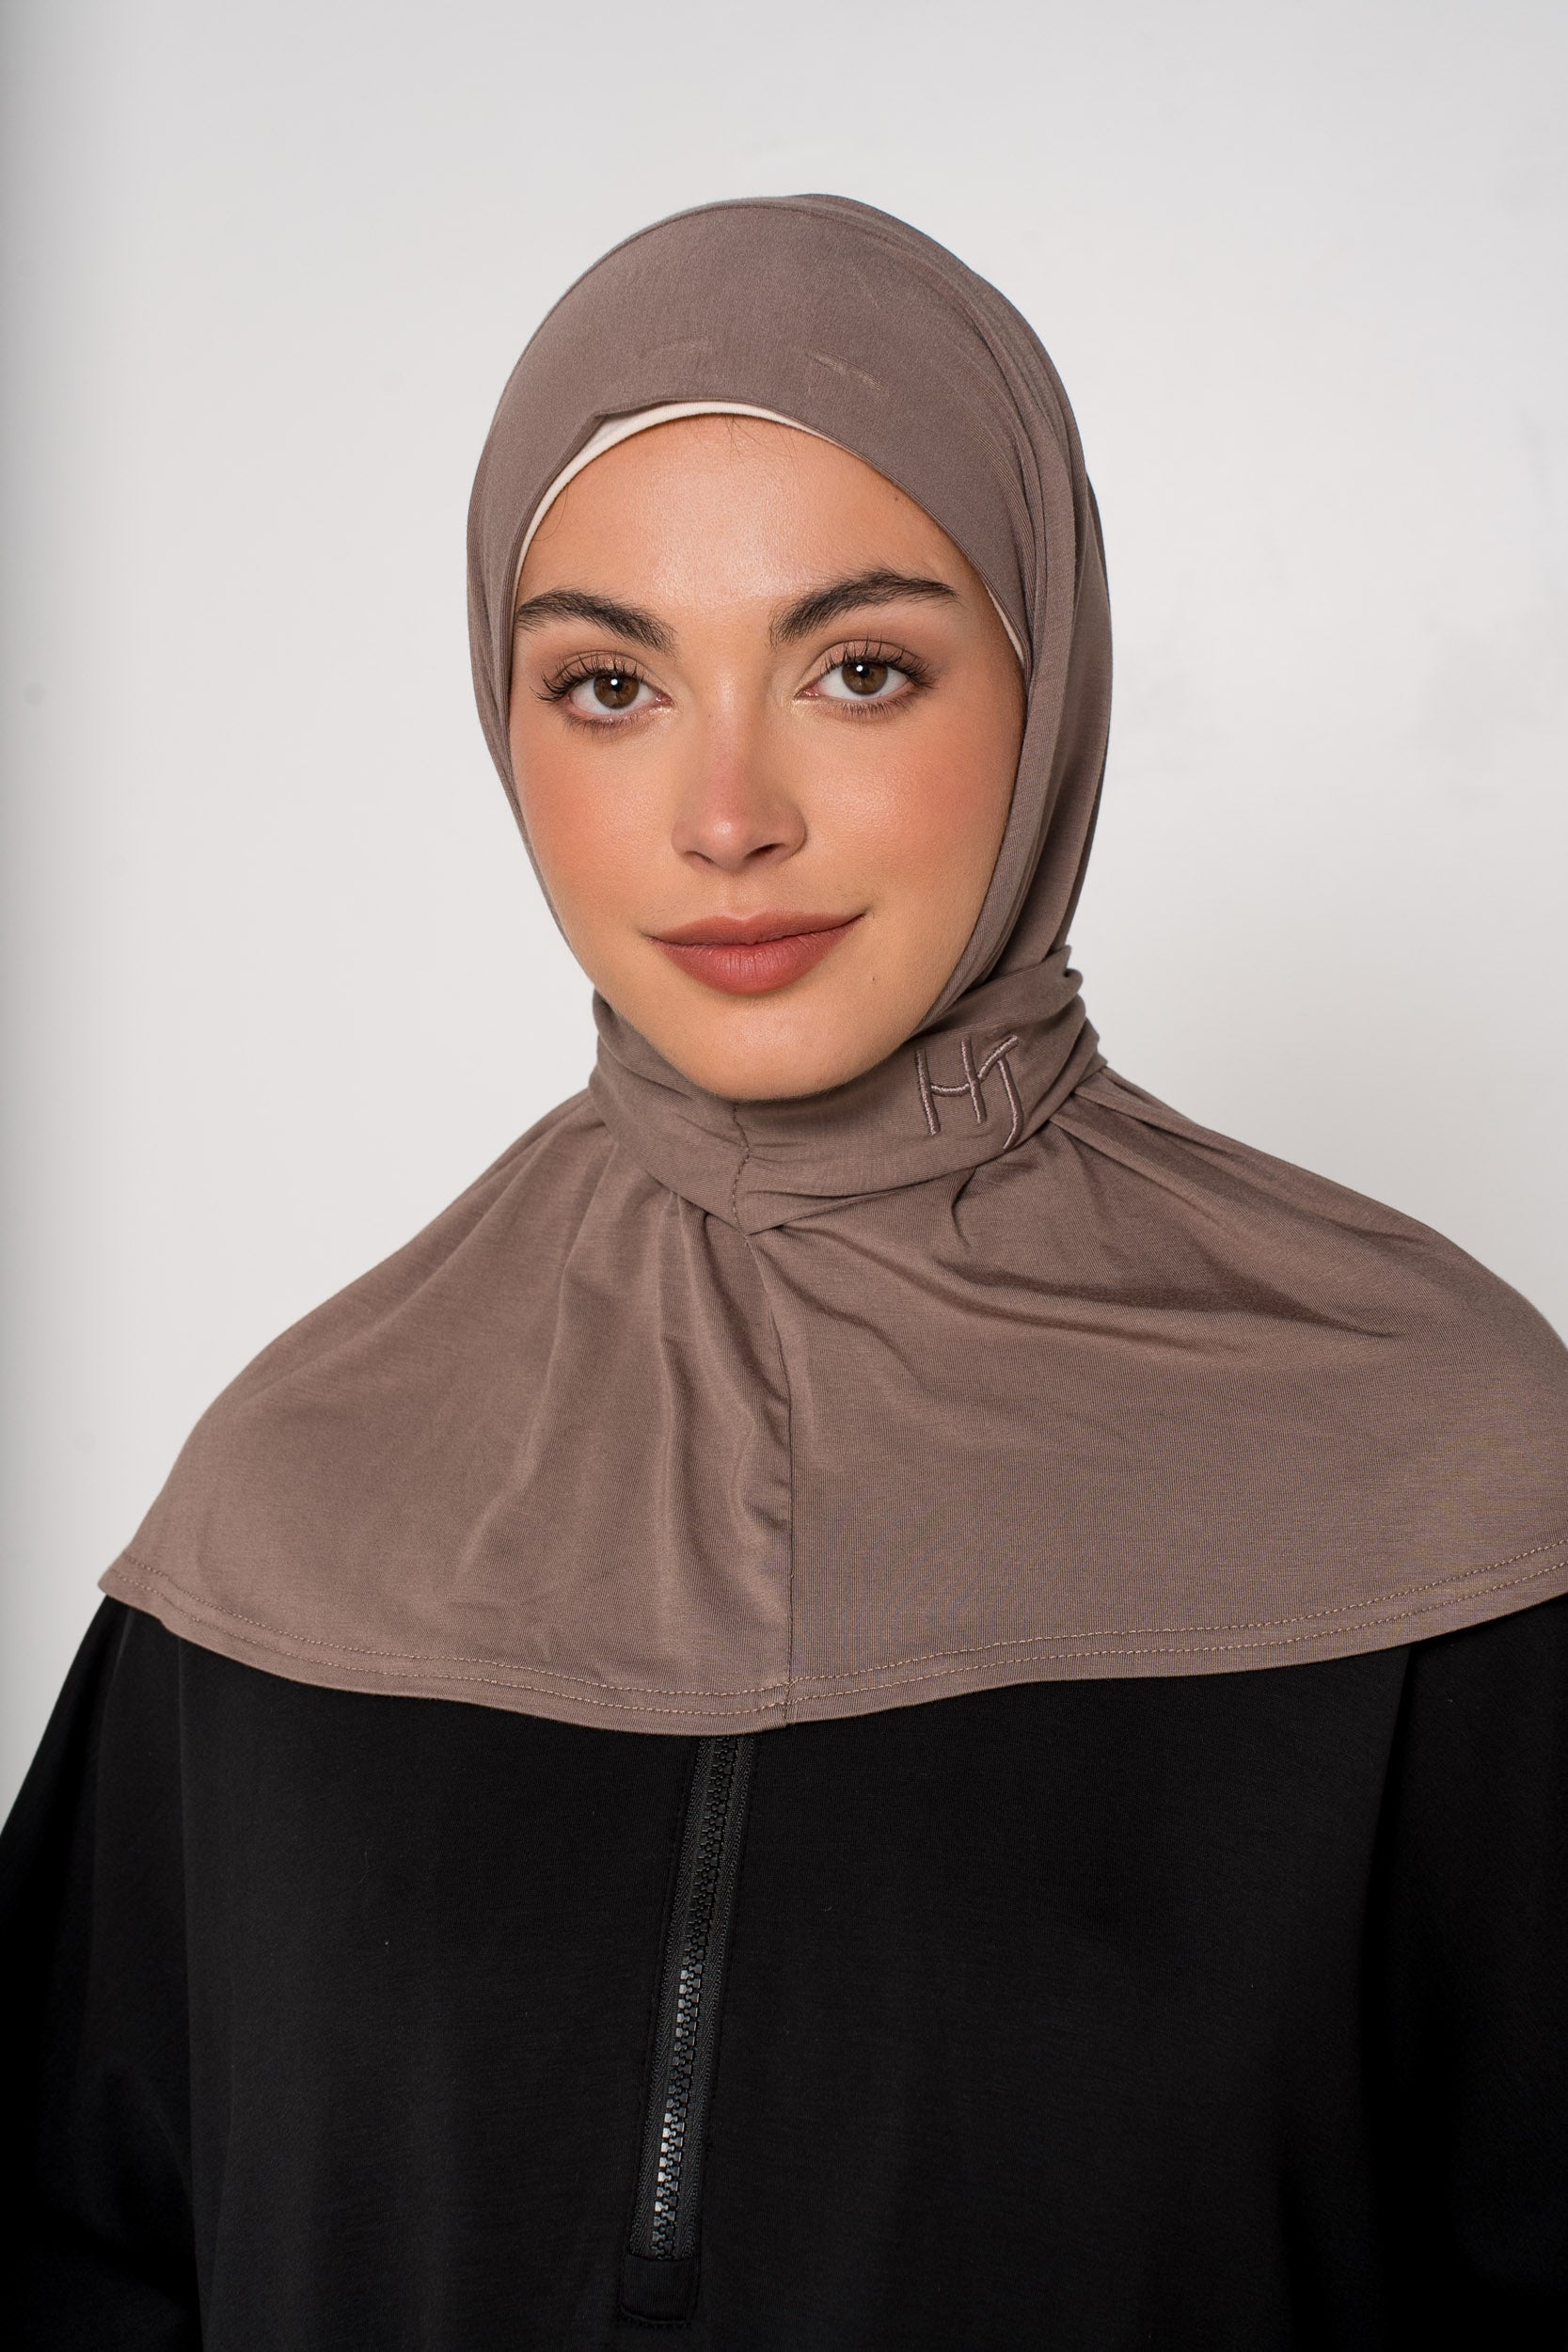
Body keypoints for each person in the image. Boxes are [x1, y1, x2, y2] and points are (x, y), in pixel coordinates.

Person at [4, 195, 1565, 2351]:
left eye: (859, 668)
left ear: (1048, 675)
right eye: (611, 684)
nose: (726, 815)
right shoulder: (289, 1502)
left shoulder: (1443, 1466)